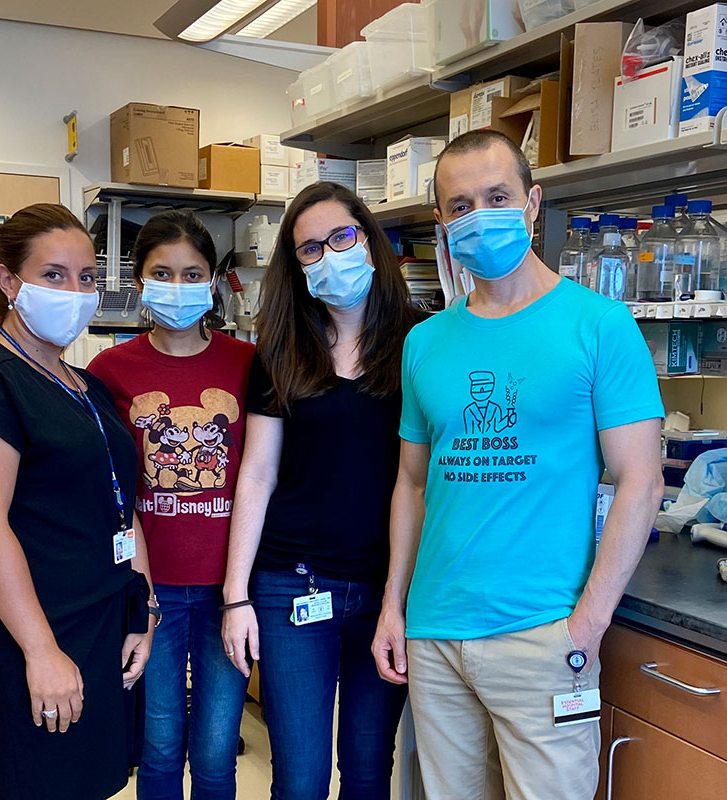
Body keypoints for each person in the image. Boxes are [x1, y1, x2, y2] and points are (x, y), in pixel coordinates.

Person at [371, 131, 666, 800]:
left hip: (542, 631)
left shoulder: (599, 325)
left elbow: (640, 481)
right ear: (442, 224)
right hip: (437, 630)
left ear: (533, 204)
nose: (480, 216)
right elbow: (412, 484)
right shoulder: (425, 343)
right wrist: (395, 607)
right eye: (460, 204)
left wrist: (588, 624)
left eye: (496, 196)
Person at [0, 204, 156, 800]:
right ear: (10, 282)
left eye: (87, 277)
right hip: (32, 627)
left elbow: (120, 502)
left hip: (102, 618)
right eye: (54, 275)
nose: (75, 291)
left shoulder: (82, 382)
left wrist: (144, 609)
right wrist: (41, 651)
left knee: (90, 778)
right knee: (32, 779)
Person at [220, 182, 417, 800]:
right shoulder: (280, 350)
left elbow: (428, 476)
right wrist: (235, 595)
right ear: (295, 266)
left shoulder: (421, 343)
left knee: (367, 772)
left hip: (390, 592)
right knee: (300, 779)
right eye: (309, 249)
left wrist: (401, 596)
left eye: (341, 237)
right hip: (291, 584)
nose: (329, 256)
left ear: (369, 240)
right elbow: (257, 472)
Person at [87, 210, 254, 800]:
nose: (178, 288)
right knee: (158, 746)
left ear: (213, 282)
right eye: (163, 273)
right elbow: (109, 488)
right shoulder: (109, 371)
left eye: (192, 274)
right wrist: (136, 589)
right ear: (139, 282)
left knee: (215, 750)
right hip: (150, 588)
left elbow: (260, 475)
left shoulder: (245, 364)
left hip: (227, 591)